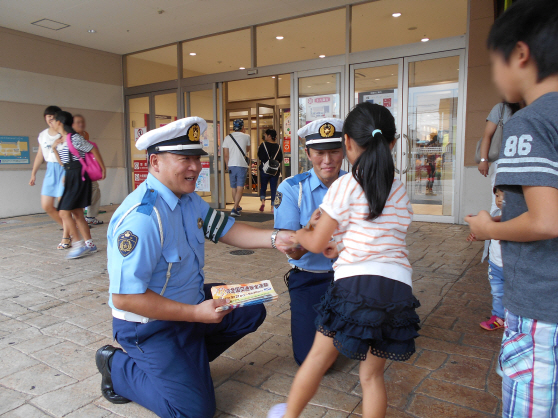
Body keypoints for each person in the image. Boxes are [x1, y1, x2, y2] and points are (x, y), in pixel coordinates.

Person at [95, 117, 294, 418]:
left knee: (250, 309)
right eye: (183, 158)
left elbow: (226, 229)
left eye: (197, 158)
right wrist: (195, 314)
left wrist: (279, 238)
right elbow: (125, 298)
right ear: (155, 163)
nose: (194, 167)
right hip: (147, 326)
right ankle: (117, 366)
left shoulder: (187, 200)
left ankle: (184, 361)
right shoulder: (143, 218)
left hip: (186, 304)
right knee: (193, 411)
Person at [268, 103, 420, 418]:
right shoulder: (399, 187)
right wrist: (342, 246)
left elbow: (315, 241)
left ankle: (289, 415)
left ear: (347, 143)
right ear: (391, 144)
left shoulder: (345, 185)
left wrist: (302, 232)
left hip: (356, 285)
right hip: (398, 290)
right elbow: (382, 235)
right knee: (372, 375)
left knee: (316, 360)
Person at [465, 1, 558, 416]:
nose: (495, 75)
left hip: (542, 304)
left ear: (520, 54)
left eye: (494, 62)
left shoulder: (529, 121)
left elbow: (546, 220)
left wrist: (489, 228)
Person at [274, 118, 346, 366]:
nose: (327, 161)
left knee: (364, 345)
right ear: (308, 153)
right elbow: (292, 252)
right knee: (310, 361)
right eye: (319, 153)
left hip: (351, 278)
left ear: (344, 150)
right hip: (310, 279)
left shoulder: (355, 186)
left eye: (334, 152)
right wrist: (310, 232)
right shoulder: (293, 189)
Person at [51, 111, 104, 259]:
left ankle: (78, 244)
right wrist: (55, 148)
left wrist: (103, 168)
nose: (52, 124)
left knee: (63, 212)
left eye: (53, 121)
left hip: (78, 176)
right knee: (78, 213)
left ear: (60, 123)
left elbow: (92, 148)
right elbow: (63, 163)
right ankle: (89, 244)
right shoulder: (62, 140)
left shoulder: (73, 138)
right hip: (71, 175)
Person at [467, 187, 505, 331]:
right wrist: (478, 235)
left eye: (505, 195)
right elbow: (489, 233)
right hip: (495, 264)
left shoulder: (518, 219)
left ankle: (515, 318)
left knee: (513, 294)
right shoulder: (495, 214)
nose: (500, 199)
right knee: (497, 292)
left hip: (512, 266)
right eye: (497, 195)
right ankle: (498, 317)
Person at [29, 105, 65, 248]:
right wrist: (33, 174)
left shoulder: (64, 133)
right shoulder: (43, 134)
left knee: (63, 207)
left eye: (53, 116)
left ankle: (67, 236)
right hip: (50, 169)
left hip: (64, 169)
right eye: (48, 116)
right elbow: (40, 155)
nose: (50, 119)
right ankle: (70, 227)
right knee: (47, 205)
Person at [478, 101, 520, 212]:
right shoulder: (501, 108)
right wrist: (483, 159)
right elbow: (487, 135)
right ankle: (494, 227)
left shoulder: (531, 104)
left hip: (524, 162)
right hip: (501, 163)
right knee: (498, 201)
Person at [73, 114, 106, 225]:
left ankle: (86, 218)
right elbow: (93, 150)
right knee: (84, 194)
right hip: (78, 172)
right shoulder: (73, 137)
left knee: (94, 190)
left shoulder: (76, 137)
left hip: (85, 172)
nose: (81, 124)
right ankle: (79, 220)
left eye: (82, 121)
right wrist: (102, 168)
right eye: (78, 122)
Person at [223, 119, 250, 217]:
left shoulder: (227, 138)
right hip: (241, 165)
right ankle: (235, 208)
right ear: (243, 127)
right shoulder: (247, 136)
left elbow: (226, 155)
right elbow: (247, 149)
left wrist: (227, 166)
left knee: (233, 187)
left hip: (231, 165)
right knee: (240, 187)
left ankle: (237, 206)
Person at [258, 129, 282, 212]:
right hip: (274, 171)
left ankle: (263, 202)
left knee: (263, 186)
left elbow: (260, 156)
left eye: (265, 135)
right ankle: (272, 206)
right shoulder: (278, 146)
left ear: (269, 136)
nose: (264, 136)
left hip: (264, 169)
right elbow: (280, 158)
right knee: (273, 188)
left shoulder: (263, 145)